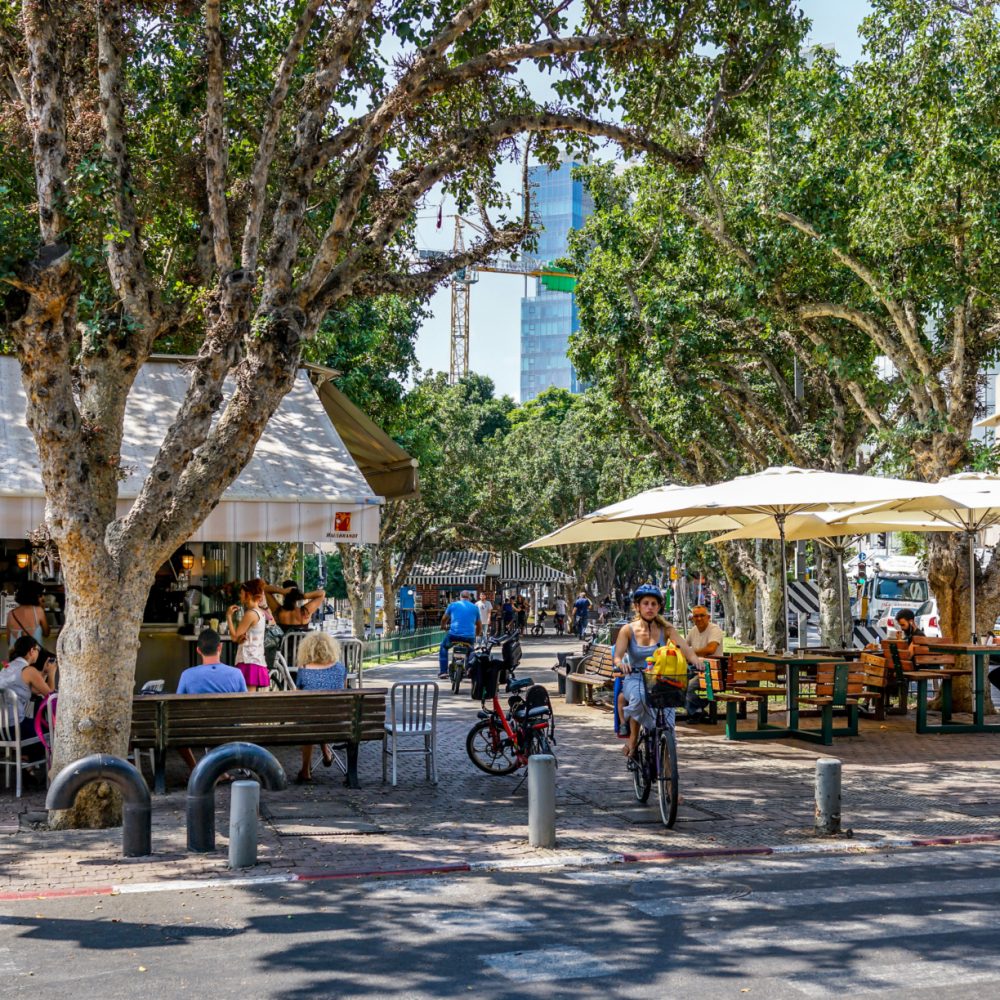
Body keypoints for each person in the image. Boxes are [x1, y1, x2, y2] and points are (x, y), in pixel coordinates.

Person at [613, 585, 699, 758]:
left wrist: (696, 660)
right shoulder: (627, 630)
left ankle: (668, 763)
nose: (650, 607)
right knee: (639, 699)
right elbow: (618, 656)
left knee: (669, 721)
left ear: (659, 607)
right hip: (635, 678)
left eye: (654, 604)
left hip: (662, 680)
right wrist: (621, 664)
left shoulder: (666, 629)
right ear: (637, 606)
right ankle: (634, 739)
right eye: (645, 603)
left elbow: (685, 647)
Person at [176, 628, 247, 771]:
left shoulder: (187, 675)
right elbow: (244, 705)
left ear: (198, 650)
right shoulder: (236, 674)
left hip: (198, 730)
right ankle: (220, 771)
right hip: (230, 729)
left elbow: (178, 705)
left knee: (176, 734)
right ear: (220, 647)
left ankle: (196, 770)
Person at [294, 631, 348, 783]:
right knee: (322, 713)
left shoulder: (303, 670)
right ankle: (326, 751)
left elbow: (298, 699)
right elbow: (342, 694)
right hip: (337, 723)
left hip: (311, 723)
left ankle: (305, 770)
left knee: (310, 718)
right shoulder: (340, 669)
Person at [0, 635, 55, 762]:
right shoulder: (29, 670)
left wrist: (44, 673)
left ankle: (25, 761)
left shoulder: (7, 667)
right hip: (17, 728)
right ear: (31, 651)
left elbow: (34, 689)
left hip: (2, 729)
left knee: (36, 724)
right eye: (37, 650)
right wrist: (52, 673)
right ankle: (31, 762)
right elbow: (50, 694)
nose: (38, 653)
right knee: (52, 733)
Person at [226, 578, 270, 691]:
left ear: (248, 595)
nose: (240, 596)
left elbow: (234, 637)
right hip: (256, 658)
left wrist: (229, 617)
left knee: (248, 697)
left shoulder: (250, 614)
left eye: (242, 593)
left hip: (248, 659)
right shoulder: (261, 613)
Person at [683, 606, 724, 724]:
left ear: (708, 617)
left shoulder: (714, 629)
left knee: (688, 687)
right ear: (692, 618)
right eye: (696, 616)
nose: (699, 618)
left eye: (702, 615)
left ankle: (697, 710)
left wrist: (691, 652)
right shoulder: (693, 631)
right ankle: (698, 711)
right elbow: (684, 647)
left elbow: (711, 649)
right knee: (676, 682)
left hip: (712, 670)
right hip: (695, 668)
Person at [438, 590, 481, 679]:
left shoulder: (453, 605)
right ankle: (469, 670)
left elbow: (444, 618)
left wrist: (443, 626)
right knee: (471, 651)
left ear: (460, 597)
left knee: (443, 647)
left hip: (454, 635)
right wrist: (476, 634)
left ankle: (443, 672)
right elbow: (479, 625)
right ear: (469, 597)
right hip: (469, 637)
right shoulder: (475, 607)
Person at [6, 580, 50, 649]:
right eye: (40, 595)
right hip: (35, 658)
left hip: (15, 658)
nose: (43, 598)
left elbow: (9, 641)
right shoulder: (39, 611)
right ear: (34, 596)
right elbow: (46, 633)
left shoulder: (11, 614)